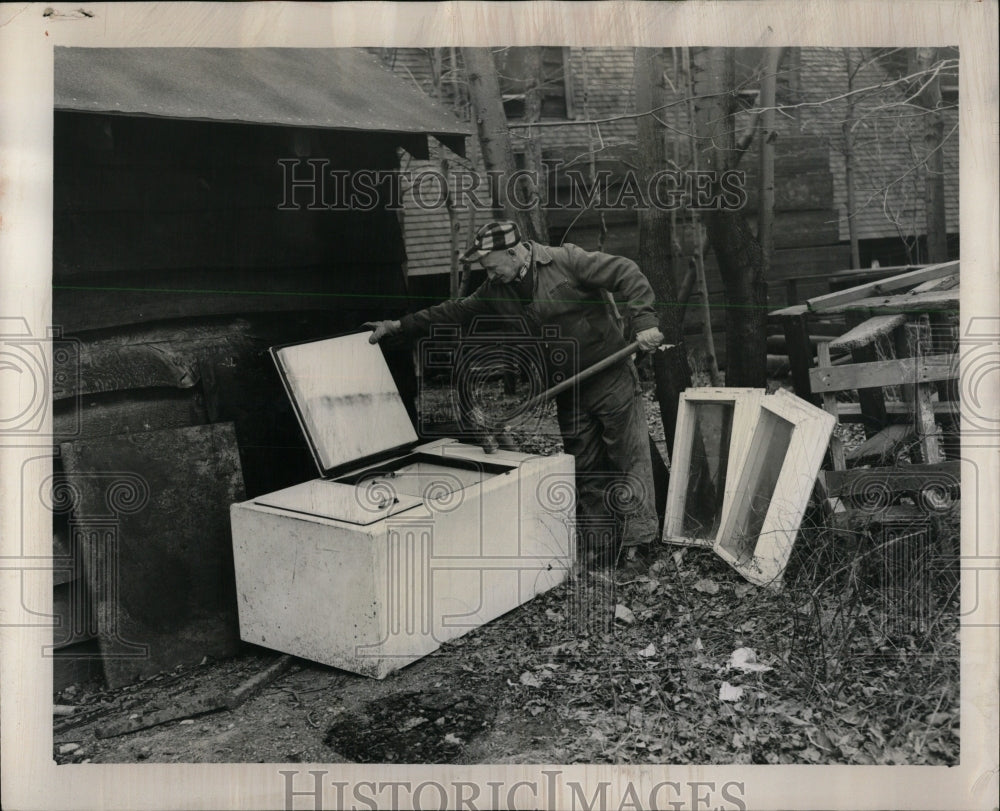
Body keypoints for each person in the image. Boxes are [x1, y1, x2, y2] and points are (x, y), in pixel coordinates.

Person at [365, 220, 664, 571]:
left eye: (492, 267)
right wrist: (400, 326)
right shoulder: (496, 290)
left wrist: (645, 321)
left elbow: (626, 272)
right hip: (567, 390)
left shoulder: (565, 260)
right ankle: (600, 543)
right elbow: (454, 311)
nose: (489, 275)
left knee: (628, 458)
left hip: (609, 376)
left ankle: (638, 545)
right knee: (584, 467)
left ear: (513, 252)